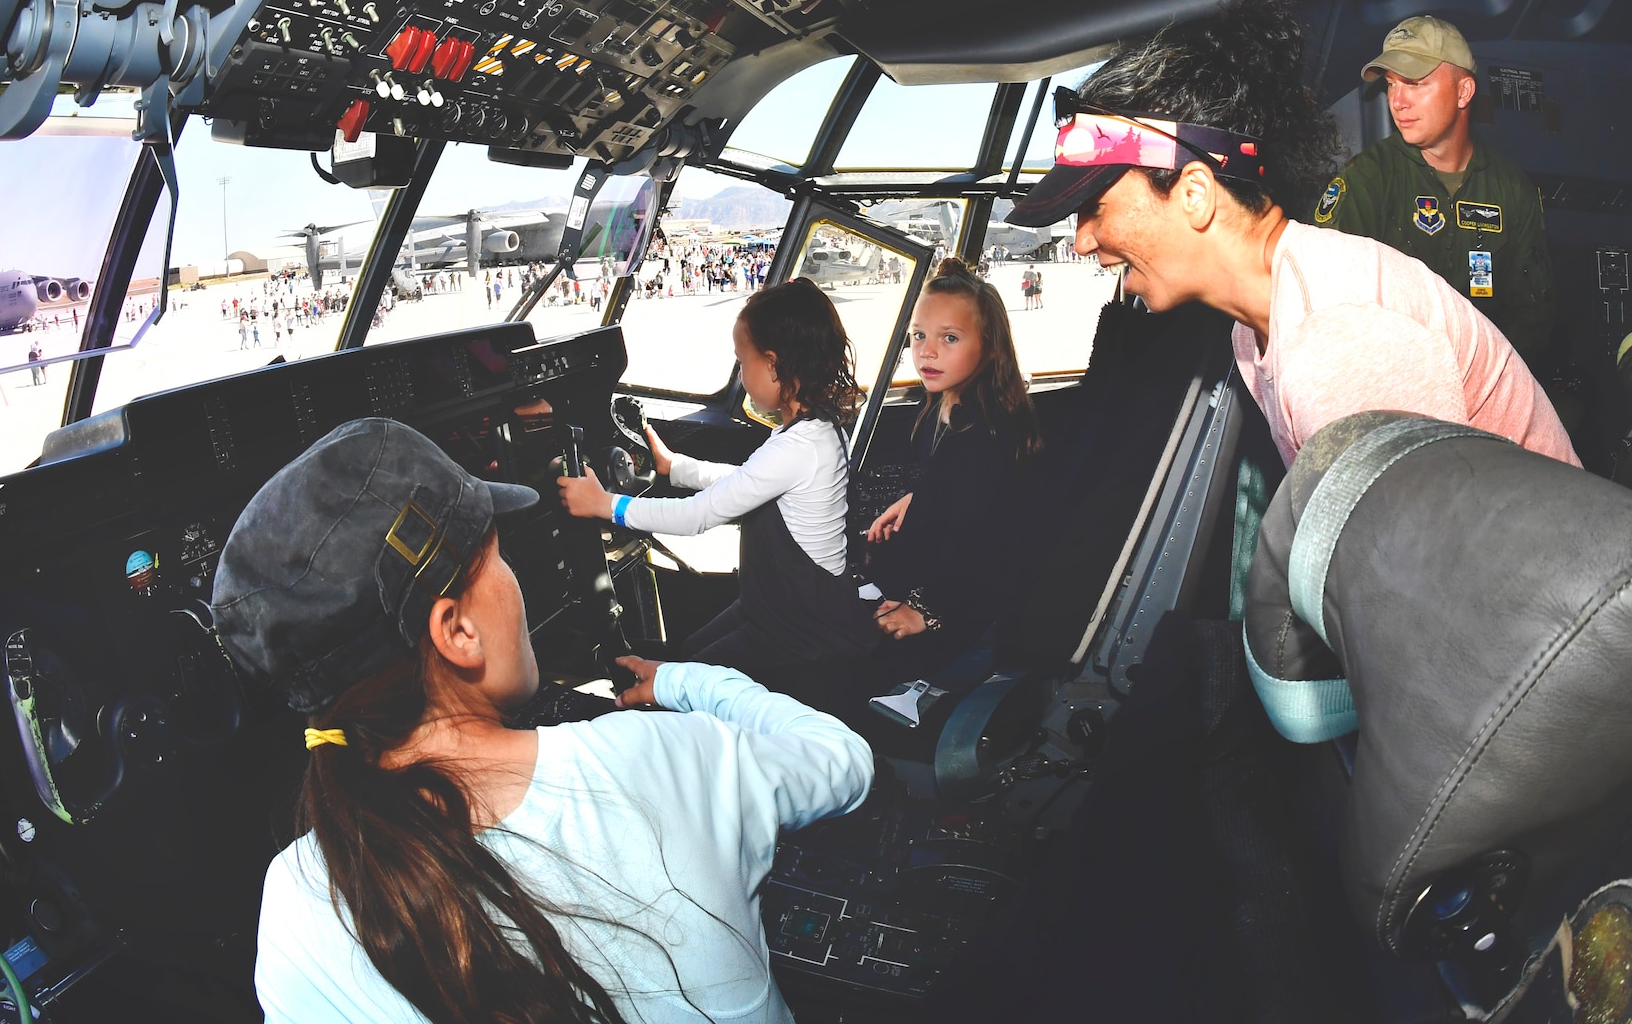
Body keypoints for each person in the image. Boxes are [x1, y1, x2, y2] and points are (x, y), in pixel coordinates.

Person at [216, 418, 871, 1024]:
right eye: (497, 558)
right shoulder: (658, 758)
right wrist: (685, 678)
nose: (515, 580)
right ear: (458, 630)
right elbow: (843, 757)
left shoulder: (292, 907)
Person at [1005, 0, 1577, 468]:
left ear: (1195, 193)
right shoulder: (1259, 322)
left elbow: (1424, 582)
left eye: (1096, 206)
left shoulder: (1337, 342)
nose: (1081, 239)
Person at [558, 278, 879, 695]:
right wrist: (677, 468)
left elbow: (697, 515)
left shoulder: (800, 446)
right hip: (785, 609)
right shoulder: (813, 430)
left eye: (743, 363)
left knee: (683, 684)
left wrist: (606, 506)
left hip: (800, 629)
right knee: (689, 654)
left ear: (775, 364)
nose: (742, 377)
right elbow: (745, 485)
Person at [1313, 16, 1556, 364]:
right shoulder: (1370, 179)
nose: (1398, 101)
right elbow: (1326, 301)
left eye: (1414, 83)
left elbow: (1533, 316)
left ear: (1463, 92)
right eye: (1391, 85)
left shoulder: (1511, 190)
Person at [861, 259, 1042, 681]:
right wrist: (918, 497)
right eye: (919, 335)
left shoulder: (986, 433)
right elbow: (956, 487)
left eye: (950, 338)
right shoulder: (950, 408)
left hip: (972, 601)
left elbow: (985, 541)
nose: (927, 350)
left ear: (990, 345)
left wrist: (925, 610)